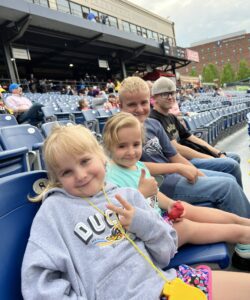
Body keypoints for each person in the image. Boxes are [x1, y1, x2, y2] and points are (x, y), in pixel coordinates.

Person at [21, 124, 250, 300]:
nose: (80, 175)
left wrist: (142, 223)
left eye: (85, 161)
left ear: (102, 159)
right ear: (57, 179)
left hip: (165, 283)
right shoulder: (53, 212)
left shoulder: (128, 195)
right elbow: (38, 283)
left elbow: (165, 252)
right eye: (66, 172)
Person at [103, 112, 250, 250]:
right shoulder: (109, 177)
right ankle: (243, 234)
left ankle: (243, 222)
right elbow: (120, 217)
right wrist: (141, 194)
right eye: (122, 146)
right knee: (187, 227)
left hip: (158, 219)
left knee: (184, 207)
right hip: (147, 237)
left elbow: (155, 196)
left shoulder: (138, 166)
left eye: (136, 144)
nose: (131, 152)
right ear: (109, 145)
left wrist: (170, 204)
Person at [118, 76, 250, 218]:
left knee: (229, 179)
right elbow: (131, 165)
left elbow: (175, 156)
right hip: (160, 186)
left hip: (175, 175)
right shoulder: (117, 130)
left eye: (143, 102)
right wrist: (177, 168)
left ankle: (241, 227)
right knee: (227, 187)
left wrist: (200, 174)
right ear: (120, 106)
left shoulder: (153, 124)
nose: (139, 109)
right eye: (132, 105)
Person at [150, 77, 243, 187]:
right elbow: (177, 149)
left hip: (192, 154)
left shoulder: (171, 117)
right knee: (231, 165)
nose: (170, 97)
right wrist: (212, 159)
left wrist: (217, 153)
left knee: (234, 157)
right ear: (154, 98)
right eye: (165, 94)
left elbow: (191, 137)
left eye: (172, 93)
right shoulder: (154, 120)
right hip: (183, 161)